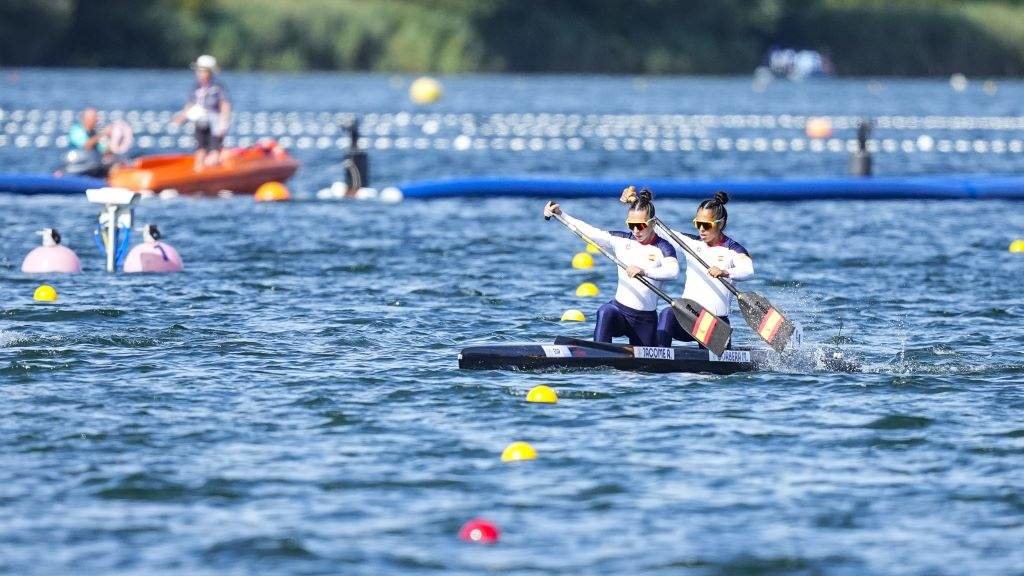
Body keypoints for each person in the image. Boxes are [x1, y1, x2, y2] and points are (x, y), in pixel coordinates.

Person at [544, 189, 679, 346]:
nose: (636, 231)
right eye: (631, 225)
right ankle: (598, 358)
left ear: (653, 224)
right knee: (605, 311)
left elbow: (673, 272)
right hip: (619, 312)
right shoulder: (620, 240)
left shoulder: (664, 247)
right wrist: (561, 214)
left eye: (641, 225)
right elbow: (589, 232)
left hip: (645, 320)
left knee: (647, 370)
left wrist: (644, 271)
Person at [621, 188, 754, 348]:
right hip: (689, 318)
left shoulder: (733, 250)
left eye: (706, 225)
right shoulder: (689, 243)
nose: (701, 229)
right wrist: (637, 203)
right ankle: (659, 359)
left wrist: (725, 272)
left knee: (709, 374)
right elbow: (650, 226)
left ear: (721, 224)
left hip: (714, 325)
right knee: (668, 313)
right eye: (698, 224)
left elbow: (748, 270)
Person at [172, 54, 231, 170]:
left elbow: (224, 104)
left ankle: (213, 170)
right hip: (200, 123)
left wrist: (224, 122)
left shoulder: (218, 87)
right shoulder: (196, 88)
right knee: (200, 149)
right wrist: (180, 118)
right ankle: (198, 171)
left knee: (214, 150)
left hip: (214, 124)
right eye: (199, 71)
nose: (200, 74)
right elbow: (190, 106)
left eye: (203, 71)